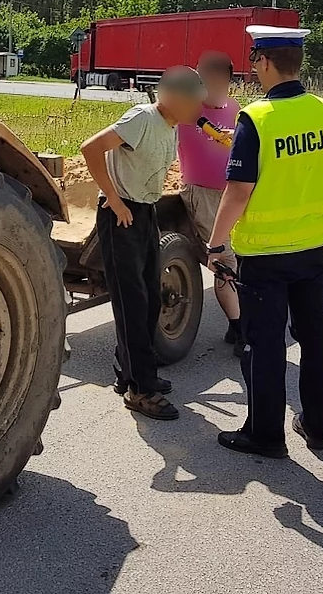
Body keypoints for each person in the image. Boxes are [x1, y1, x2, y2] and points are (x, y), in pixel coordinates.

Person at [206, 25, 323, 458]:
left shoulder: (257, 119)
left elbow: (238, 191)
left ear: (263, 62)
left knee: (264, 343)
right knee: (316, 336)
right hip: (315, 248)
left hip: (265, 253)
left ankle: (266, 435)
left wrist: (215, 243)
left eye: (253, 59)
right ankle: (318, 425)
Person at [81, 66, 205, 421]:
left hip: (145, 212)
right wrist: (114, 200)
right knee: (132, 304)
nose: (199, 108)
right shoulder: (142, 118)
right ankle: (141, 391)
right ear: (175, 97)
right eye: (195, 101)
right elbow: (90, 148)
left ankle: (132, 372)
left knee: (150, 297)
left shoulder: (172, 126)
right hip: (121, 216)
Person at [178, 50, 242, 353]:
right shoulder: (188, 111)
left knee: (238, 255)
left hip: (233, 191)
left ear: (228, 79)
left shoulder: (236, 109)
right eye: (205, 80)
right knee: (223, 259)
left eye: (217, 79)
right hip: (200, 193)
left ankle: (240, 318)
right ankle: (239, 328)